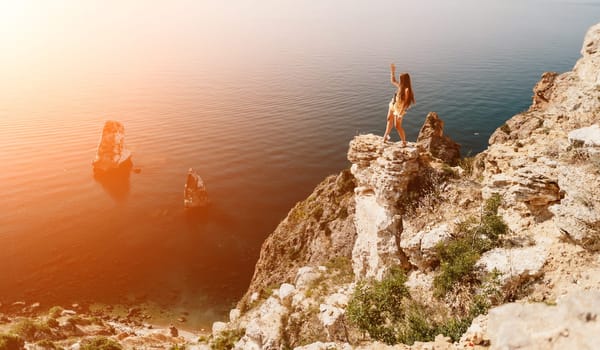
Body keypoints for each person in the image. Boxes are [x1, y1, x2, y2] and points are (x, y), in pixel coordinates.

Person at [383, 64, 416, 146]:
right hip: (393, 104)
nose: (400, 80)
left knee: (397, 126)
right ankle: (385, 136)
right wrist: (392, 71)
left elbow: (405, 102)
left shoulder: (406, 89)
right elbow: (393, 81)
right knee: (388, 119)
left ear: (404, 80)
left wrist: (400, 114)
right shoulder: (401, 86)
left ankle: (404, 142)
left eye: (401, 79)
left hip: (399, 108)